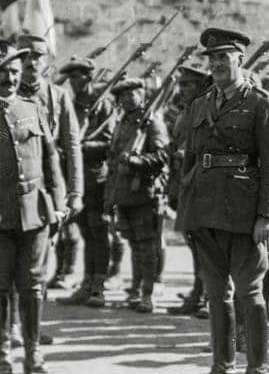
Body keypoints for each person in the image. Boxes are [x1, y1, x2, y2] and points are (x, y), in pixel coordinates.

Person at [180, 29, 269, 374]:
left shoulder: (260, 103)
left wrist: (266, 215)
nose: (218, 64)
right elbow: (190, 160)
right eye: (212, 59)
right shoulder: (200, 104)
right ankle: (221, 368)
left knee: (249, 293)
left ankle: (256, 370)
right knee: (215, 293)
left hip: (243, 215)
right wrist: (186, 212)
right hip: (205, 212)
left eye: (225, 57)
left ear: (241, 59)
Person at [0, 40, 66, 374]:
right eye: (3, 73)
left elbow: (51, 158)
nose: (9, 79)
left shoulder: (33, 108)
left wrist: (60, 201)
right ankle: (1, 353)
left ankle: (33, 351)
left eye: (13, 73)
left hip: (35, 211)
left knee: (33, 285)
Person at [18, 35, 82, 294]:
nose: (31, 61)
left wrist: (75, 193)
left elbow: (72, 143)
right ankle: (10, 328)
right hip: (14, 186)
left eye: (37, 56)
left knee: (41, 258)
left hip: (47, 188)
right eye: (25, 55)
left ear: (46, 61)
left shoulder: (58, 96)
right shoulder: (7, 94)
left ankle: (33, 325)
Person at [104, 77, 169, 313]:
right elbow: (112, 160)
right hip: (124, 193)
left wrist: (134, 161)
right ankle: (135, 288)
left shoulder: (152, 124)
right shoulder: (122, 123)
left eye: (132, 94)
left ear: (142, 96)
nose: (128, 98)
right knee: (133, 244)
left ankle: (147, 294)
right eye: (123, 95)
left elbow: (162, 157)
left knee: (147, 246)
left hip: (144, 193)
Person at [61, 56, 116, 308]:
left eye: (78, 76)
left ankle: (98, 286)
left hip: (96, 177)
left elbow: (110, 143)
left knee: (98, 231)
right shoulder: (71, 105)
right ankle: (86, 281)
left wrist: (82, 146)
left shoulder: (102, 104)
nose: (73, 81)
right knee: (85, 232)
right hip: (77, 179)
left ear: (88, 77)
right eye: (70, 76)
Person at [167, 64, 212, 316]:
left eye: (188, 84)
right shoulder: (185, 112)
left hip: (201, 184)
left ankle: (206, 296)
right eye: (181, 84)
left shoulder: (207, 109)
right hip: (184, 185)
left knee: (206, 246)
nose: (182, 89)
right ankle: (198, 292)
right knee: (194, 244)